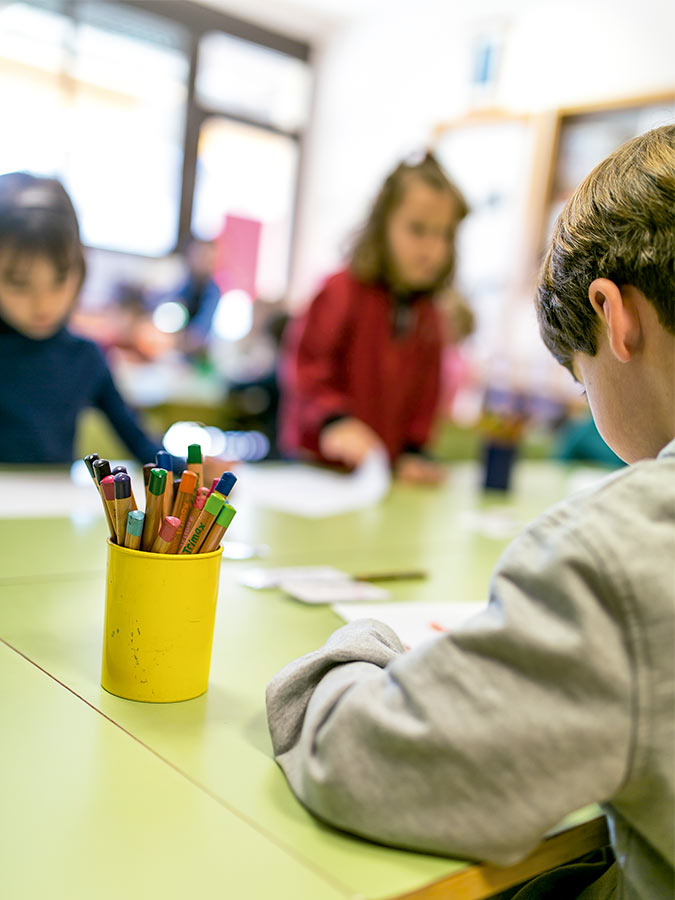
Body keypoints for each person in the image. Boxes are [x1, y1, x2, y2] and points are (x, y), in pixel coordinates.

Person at [266, 125, 675, 899]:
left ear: (611, 317)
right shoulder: (339, 293)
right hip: (319, 478)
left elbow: (366, 760)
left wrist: (363, 641)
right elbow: (309, 376)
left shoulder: (622, 558)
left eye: (579, 377)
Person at [277, 151, 469, 483]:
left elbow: (425, 399)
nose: (433, 249)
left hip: (380, 477)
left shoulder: (429, 316)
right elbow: (306, 369)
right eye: (418, 229)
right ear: (382, 226)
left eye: (445, 234)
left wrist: (413, 451)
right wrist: (333, 421)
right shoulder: (339, 291)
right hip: (316, 469)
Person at [0, 172, 162, 464]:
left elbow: (139, 442)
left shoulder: (84, 356)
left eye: (60, 279)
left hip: (52, 507)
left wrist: (190, 471)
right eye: (19, 283)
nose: (43, 303)